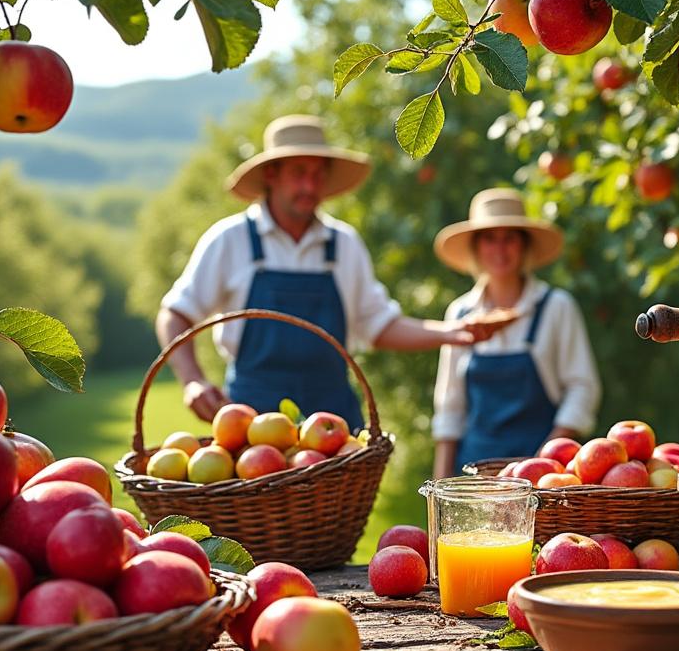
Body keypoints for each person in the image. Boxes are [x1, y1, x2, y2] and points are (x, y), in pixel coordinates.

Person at [157, 115, 506, 429]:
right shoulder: (229, 241)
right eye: (299, 174)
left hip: (334, 426)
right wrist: (192, 380)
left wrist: (451, 332)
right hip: (251, 425)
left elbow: (379, 326)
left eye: (317, 174)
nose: (310, 187)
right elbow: (174, 315)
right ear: (271, 175)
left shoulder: (344, 244)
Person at [431, 188, 601, 477]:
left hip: (544, 474)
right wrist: (440, 485)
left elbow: (582, 388)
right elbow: (450, 408)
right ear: (476, 247)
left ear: (524, 245)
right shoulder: (460, 314)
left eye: (509, 238)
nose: (500, 249)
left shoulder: (556, 307)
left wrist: (543, 463)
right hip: (475, 476)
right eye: (490, 239)